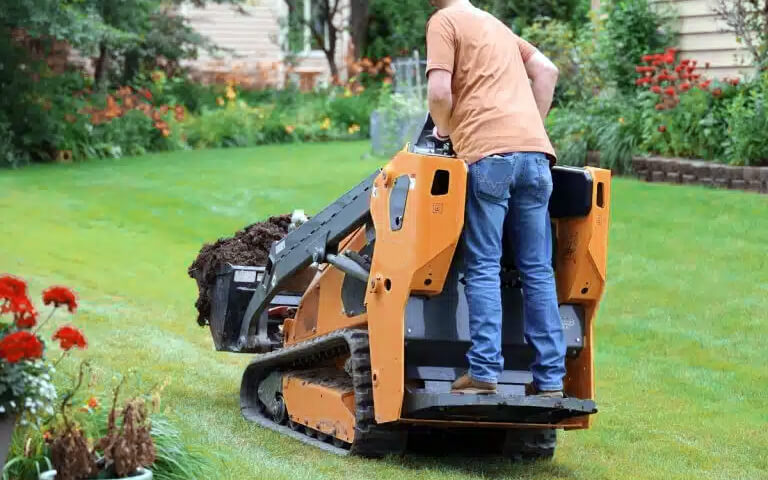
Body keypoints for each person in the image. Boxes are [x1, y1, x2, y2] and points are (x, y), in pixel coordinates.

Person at [425, 0, 565, 397]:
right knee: (538, 270)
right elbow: (546, 71)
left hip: (490, 158)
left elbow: (439, 92)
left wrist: (445, 128)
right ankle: (550, 380)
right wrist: (531, 127)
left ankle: (484, 372)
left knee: (484, 265)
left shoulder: (444, 21)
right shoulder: (496, 26)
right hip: (537, 158)